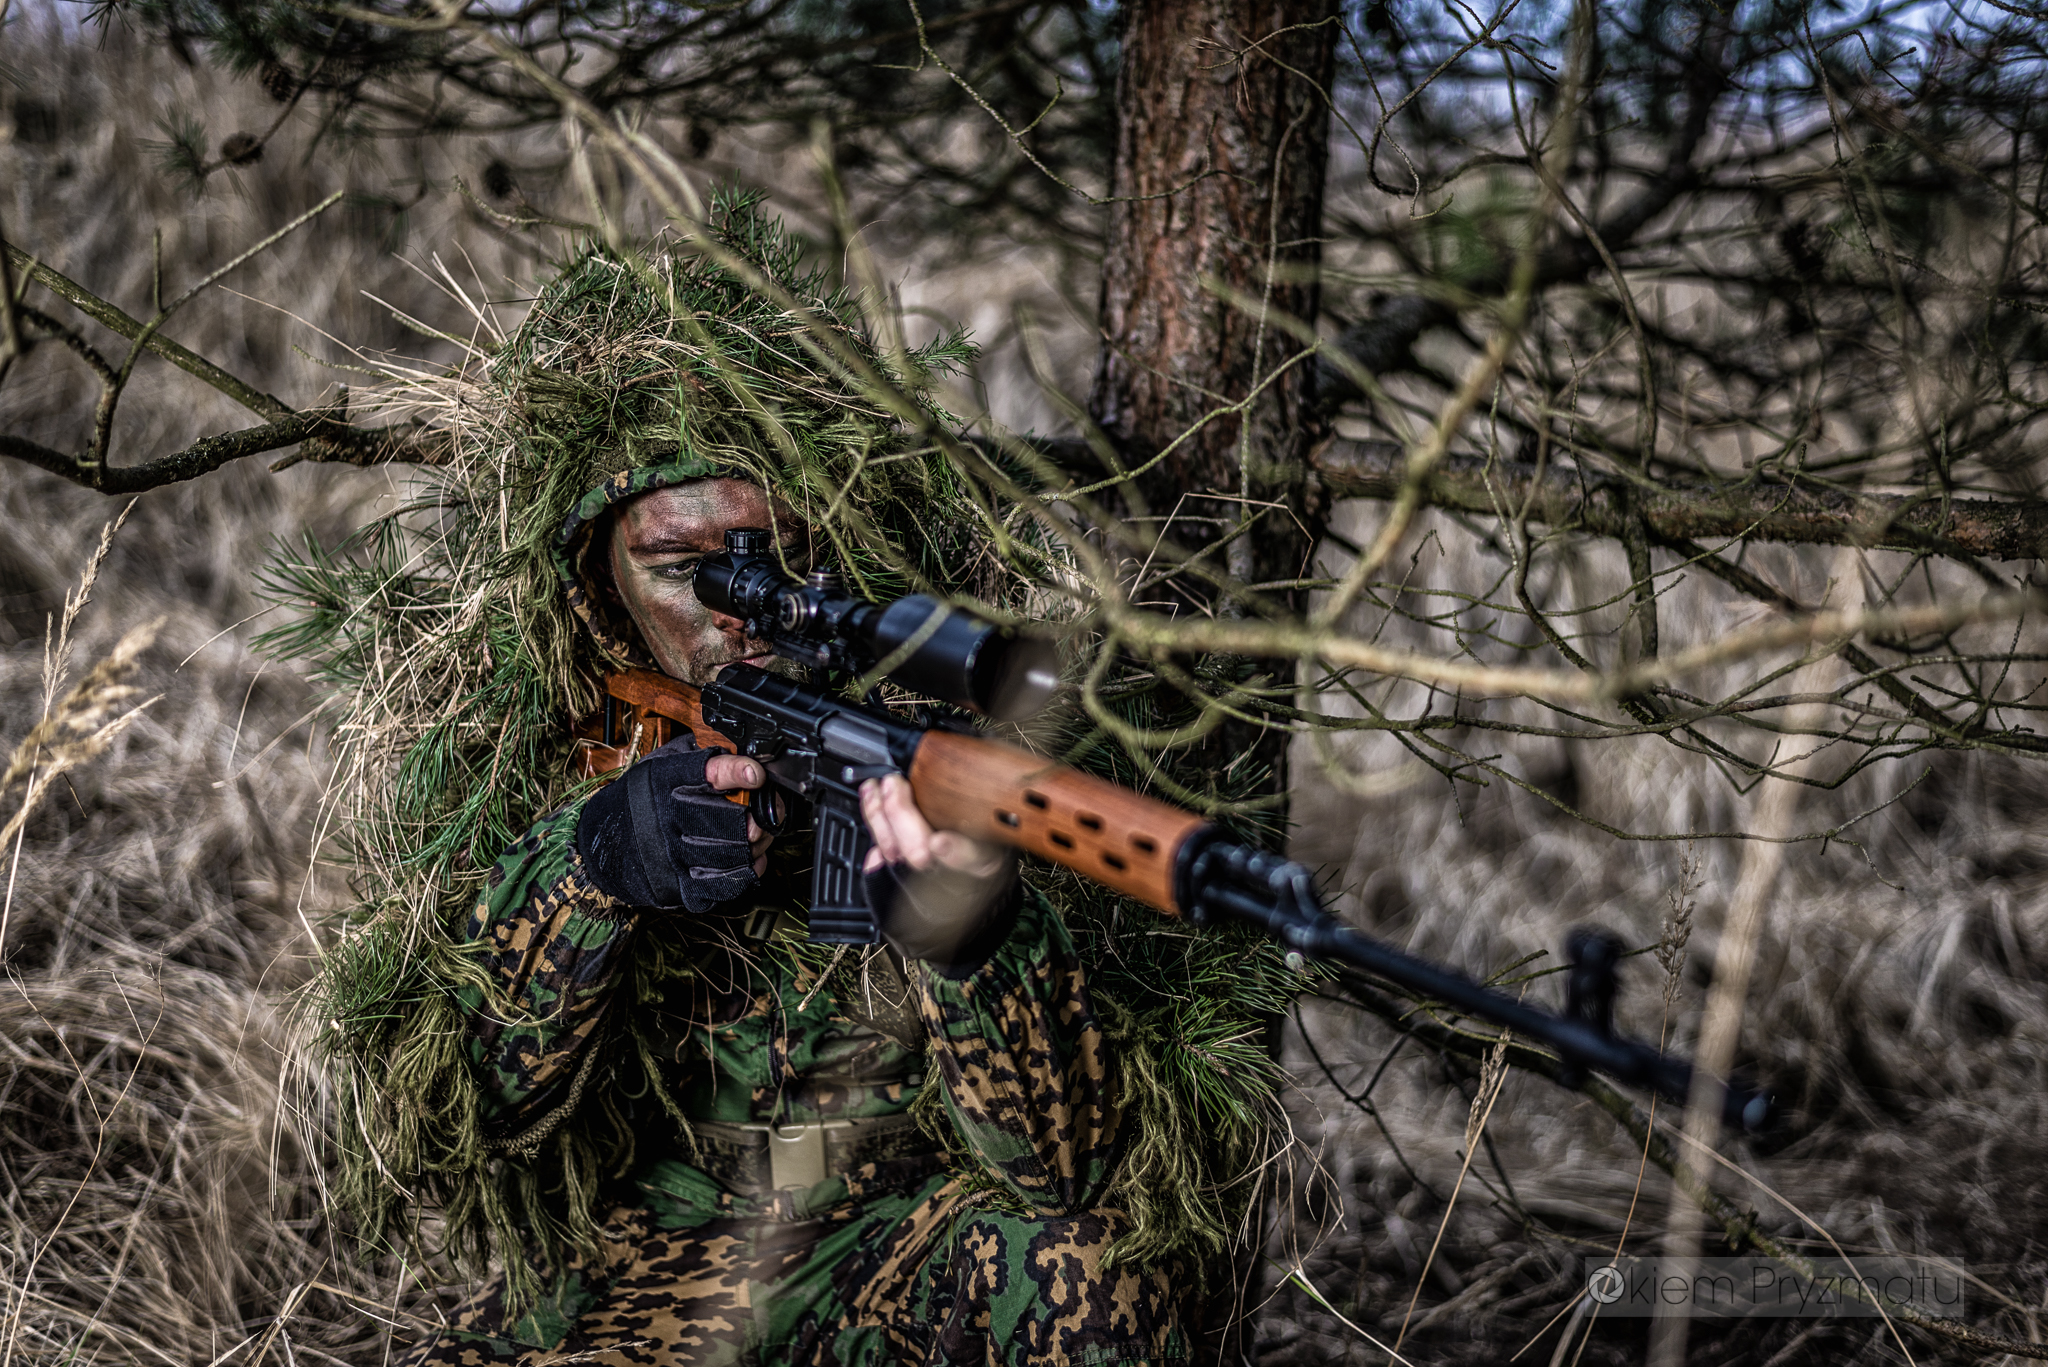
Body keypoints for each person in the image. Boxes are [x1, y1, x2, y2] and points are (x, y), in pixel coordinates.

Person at [402, 459, 1190, 1366]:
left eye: (790, 556)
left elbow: (1063, 1172)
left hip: (900, 1237)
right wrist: (591, 865)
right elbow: (460, 1126)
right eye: (678, 569)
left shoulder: (940, 735)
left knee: (1084, 1265)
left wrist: (973, 937)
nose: (742, 611)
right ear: (602, 585)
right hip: (636, 1245)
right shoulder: (523, 741)